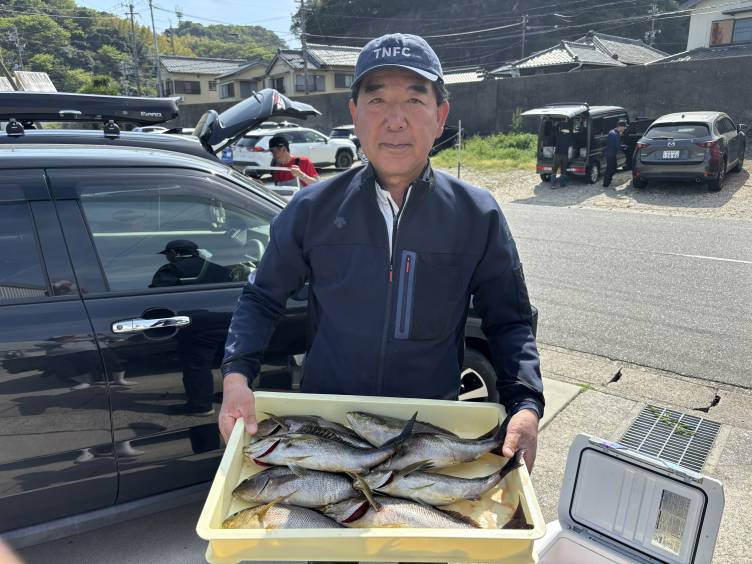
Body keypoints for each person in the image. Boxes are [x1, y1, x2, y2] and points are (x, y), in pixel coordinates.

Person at [219, 33, 544, 472]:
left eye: (414, 100)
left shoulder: (477, 214)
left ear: (440, 115)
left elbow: (510, 322)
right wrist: (237, 377)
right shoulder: (312, 209)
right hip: (329, 433)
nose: (395, 120)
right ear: (354, 114)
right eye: (377, 101)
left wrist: (526, 404)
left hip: (426, 435)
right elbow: (261, 297)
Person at [149, 239, 230, 288]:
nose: (166, 257)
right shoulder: (221, 269)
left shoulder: (170, 269)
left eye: (166, 254)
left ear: (173, 252)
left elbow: (156, 291)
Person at [603, 119, 627, 188]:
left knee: (612, 168)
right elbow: (618, 146)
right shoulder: (616, 134)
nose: (624, 129)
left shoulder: (611, 131)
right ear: (621, 127)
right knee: (610, 169)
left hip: (608, 153)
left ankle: (607, 181)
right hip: (611, 154)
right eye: (624, 127)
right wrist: (624, 146)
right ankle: (605, 184)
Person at [551, 119, 571, 188]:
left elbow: (553, 132)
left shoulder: (558, 134)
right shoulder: (568, 136)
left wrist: (556, 124)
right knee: (563, 170)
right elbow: (570, 145)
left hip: (557, 155)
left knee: (554, 170)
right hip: (565, 155)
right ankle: (562, 184)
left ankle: (553, 185)